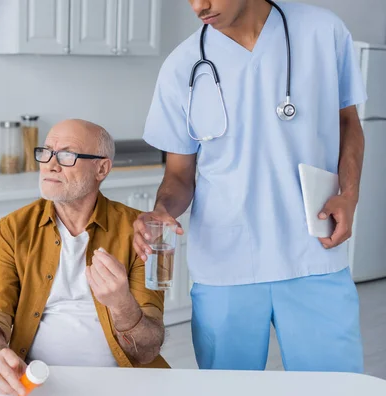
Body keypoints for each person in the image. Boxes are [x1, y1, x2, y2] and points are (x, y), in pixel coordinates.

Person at [134, 0, 366, 373]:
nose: (199, 6)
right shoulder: (182, 66)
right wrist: (163, 209)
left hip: (314, 255)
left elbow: (347, 122)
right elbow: (179, 175)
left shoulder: (323, 31)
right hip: (226, 267)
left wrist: (349, 194)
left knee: (336, 390)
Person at [0, 119, 169, 396]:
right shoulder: (12, 229)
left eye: (67, 155)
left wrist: (121, 303)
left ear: (101, 168)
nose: (50, 164)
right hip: (36, 382)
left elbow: (149, 349)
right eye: (46, 152)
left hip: (122, 381)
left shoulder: (141, 233)